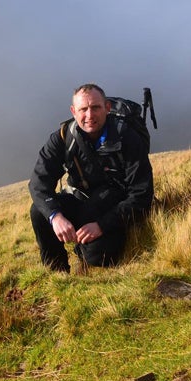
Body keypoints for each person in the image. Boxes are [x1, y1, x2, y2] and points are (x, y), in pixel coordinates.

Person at [28, 83, 154, 272]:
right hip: (81, 201)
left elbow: (142, 193)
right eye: (83, 109)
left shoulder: (127, 137)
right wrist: (56, 217)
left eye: (95, 107)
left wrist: (101, 226)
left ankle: (87, 248)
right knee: (39, 212)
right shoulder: (62, 137)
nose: (89, 115)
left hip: (114, 208)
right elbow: (38, 183)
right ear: (73, 111)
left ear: (107, 108)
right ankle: (57, 272)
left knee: (97, 256)